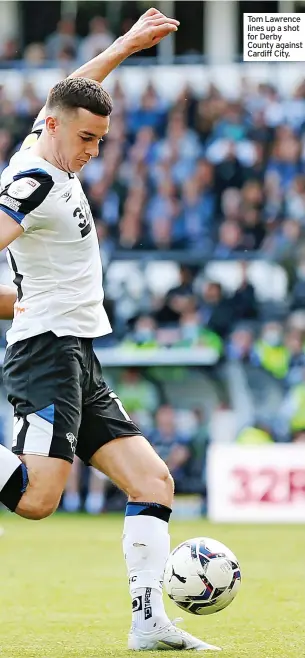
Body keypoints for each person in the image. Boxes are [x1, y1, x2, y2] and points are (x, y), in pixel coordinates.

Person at [0, 8, 219, 653]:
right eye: (88, 139)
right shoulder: (33, 181)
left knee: (153, 483)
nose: (93, 152)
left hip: (76, 352)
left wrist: (126, 45)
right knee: (39, 499)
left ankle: (148, 624)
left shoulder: (45, 144)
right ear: (56, 129)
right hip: (46, 356)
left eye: (100, 140)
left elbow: (71, 88)